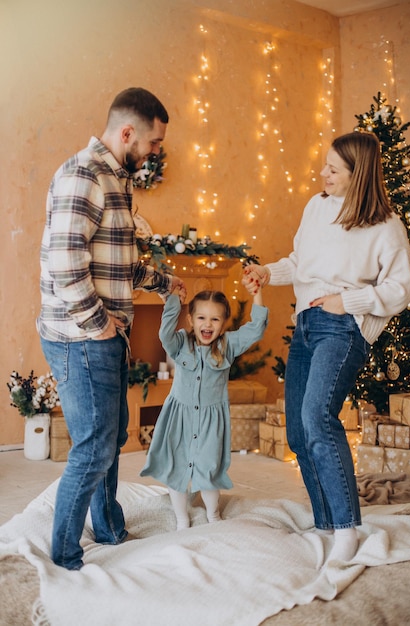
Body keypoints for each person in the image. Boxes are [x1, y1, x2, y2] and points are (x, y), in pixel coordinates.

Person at [243, 131, 410, 563]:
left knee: (317, 417)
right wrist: (266, 271)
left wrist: (347, 302)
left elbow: (401, 289)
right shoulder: (317, 207)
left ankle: (347, 528)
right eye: (325, 165)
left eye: (333, 169)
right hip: (304, 324)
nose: (323, 174)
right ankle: (326, 523)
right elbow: (301, 263)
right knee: (299, 433)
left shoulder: (385, 226)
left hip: (343, 327)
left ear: (358, 176)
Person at [37, 87, 185, 570]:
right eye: (154, 142)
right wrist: (100, 326)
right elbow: (65, 265)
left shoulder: (116, 178)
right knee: (95, 442)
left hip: (102, 334)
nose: (156, 152)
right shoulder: (84, 174)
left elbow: (118, 264)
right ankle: (64, 555)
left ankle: (109, 526)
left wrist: (164, 282)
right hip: (81, 337)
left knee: (112, 433)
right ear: (128, 132)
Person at [140, 285, 268, 530]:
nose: (207, 324)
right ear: (190, 319)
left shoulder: (228, 345)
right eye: (201, 317)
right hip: (180, 417)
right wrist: (173, 301)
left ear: (223, 323)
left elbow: (256, 329)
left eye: (215, 319)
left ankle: (213, 515)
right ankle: (181, 518)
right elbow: (164, 333)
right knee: (176, 465)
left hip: (211, 420)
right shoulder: (180, 343)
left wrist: (257, 293)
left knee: (209, 468)